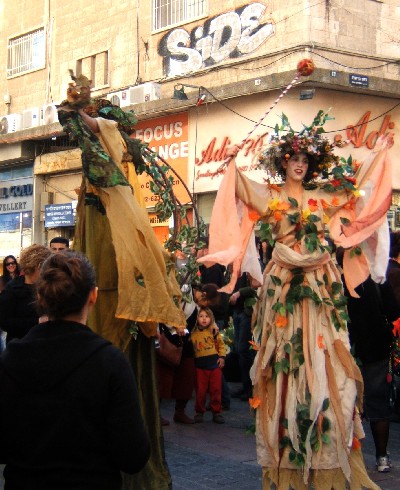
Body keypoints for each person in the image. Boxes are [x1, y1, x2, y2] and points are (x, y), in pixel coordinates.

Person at [198, 111, 393, 489]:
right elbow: (238, 186)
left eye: (306, 160)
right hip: (284, 284)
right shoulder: (270, 197)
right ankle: (288, 442)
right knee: (285, 360)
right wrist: (232, 160)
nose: (300, 165)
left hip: (320, 285)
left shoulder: (322, 197)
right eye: (294, 159)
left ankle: (324, 437)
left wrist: (378, 154)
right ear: (284, 162)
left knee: (326, 359)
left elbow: (358, 187)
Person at [57, 72, 186, 489]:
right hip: (103, 287)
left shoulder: (116, 189)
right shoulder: (100, 191)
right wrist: (80, 107)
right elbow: (73, 121)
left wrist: (85, 112)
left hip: (115, 299)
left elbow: (82, 122)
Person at [0, 250, 150, 489]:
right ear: (93, 295)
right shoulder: (110, 362)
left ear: (40, 296)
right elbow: (133, 455)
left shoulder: (11, 360)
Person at [339, 262, 400, 473]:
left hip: (344, 348)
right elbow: (393, 311)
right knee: (378, 403)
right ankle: (382, 457)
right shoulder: (375, 275)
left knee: (344, 403)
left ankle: (342, 459)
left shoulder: (337, 279)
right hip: (376, 346)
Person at [0, 244, 51, 344]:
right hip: (20, 345)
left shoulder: (47, 286)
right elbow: (4, 322)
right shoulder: (12, 289)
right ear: (39, 266)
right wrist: (37, 321)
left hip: (44, 344)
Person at [191, 306, 227, 424]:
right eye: (201, 316)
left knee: (216, 390)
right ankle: (199, 411)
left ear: (211, 318)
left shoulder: (213, 332)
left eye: (206, 316)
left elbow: (221, 345)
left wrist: (222, 357)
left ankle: (216, 412)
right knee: (200, 390)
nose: (204, 319)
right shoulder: (193, 333)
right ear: (196, 318)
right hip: (200, 366)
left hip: (214, 365)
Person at [229, 272, 258, 402]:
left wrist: (239, 292)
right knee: (239, 351)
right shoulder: (236, 267)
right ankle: (245, 385)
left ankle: (250, 388)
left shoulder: (251, 264)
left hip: (247, 314)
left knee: (244, 350)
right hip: (238, 311)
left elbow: (258, 284)